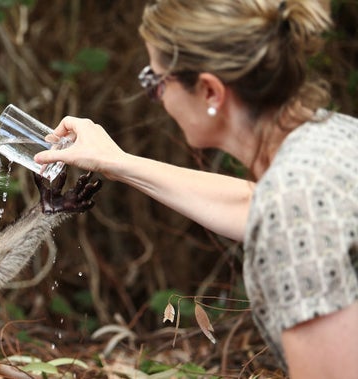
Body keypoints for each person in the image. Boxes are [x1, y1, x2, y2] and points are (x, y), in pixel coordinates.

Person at [34, 1, 358, 378]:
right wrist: (116, 161)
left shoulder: (291, 207)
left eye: (155, 83)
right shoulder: (332, 137)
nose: (156, 99)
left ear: (209, 92)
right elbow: (253, 204)